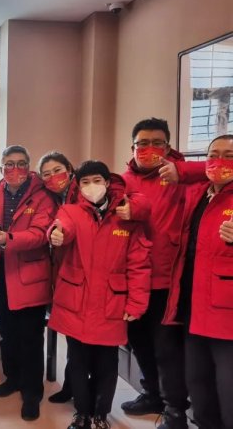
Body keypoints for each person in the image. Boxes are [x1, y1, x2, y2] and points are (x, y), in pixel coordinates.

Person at [48, 160, 151, 429]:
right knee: (78, 361)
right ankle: (82, 414)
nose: (91, 186)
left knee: (107, 364)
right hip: (76, 301)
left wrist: (137, 303)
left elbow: (139, 263)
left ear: (107, 182)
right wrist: (57, 234)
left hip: (111, 302)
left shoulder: (126, 215)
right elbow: (63, 227)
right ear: (78, 186)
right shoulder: (70, 210)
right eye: (85, 182)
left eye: (96, 180)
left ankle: (101, 414)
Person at [120, 118, 206, 429]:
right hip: (133, 280)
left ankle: (175, 412)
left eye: (157, 143)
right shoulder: (124, 181)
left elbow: (219, 168)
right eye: (142, 143)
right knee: (138, 341)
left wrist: (183, 171)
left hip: (168, 280)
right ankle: (152, 394)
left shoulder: (183, 177)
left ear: (168, 147)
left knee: (167, 348)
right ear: (133, 147)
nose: (149, 149)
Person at [164, 135, 233, 429]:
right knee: (198, 384)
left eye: (229, 155)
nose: (219, 162)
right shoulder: (200, 193)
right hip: (194, 306)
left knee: (228, 391)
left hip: (227, 314)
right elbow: (185, 171)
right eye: (213, 154)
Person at [0, 145, 57, 420]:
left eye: (21, 163)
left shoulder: (42, 196)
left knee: (31, 337)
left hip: (30, 276)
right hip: (1, 273)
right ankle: (12, 377)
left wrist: (7, 239)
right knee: (7, 332)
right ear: (1, 167)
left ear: (29, 166)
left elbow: (40, 234)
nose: (15, 169)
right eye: (9, 164)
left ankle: (32, 392)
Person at [38, 151, 77, 404]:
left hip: (82, 270)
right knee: (72, 335)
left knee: (84, 340)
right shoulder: (52, 198)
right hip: (62, 271)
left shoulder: (82, 192)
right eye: (46, 174)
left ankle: (86, 393)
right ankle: (71, 385)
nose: (53, 177)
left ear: (69, 169)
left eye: (57, 170)